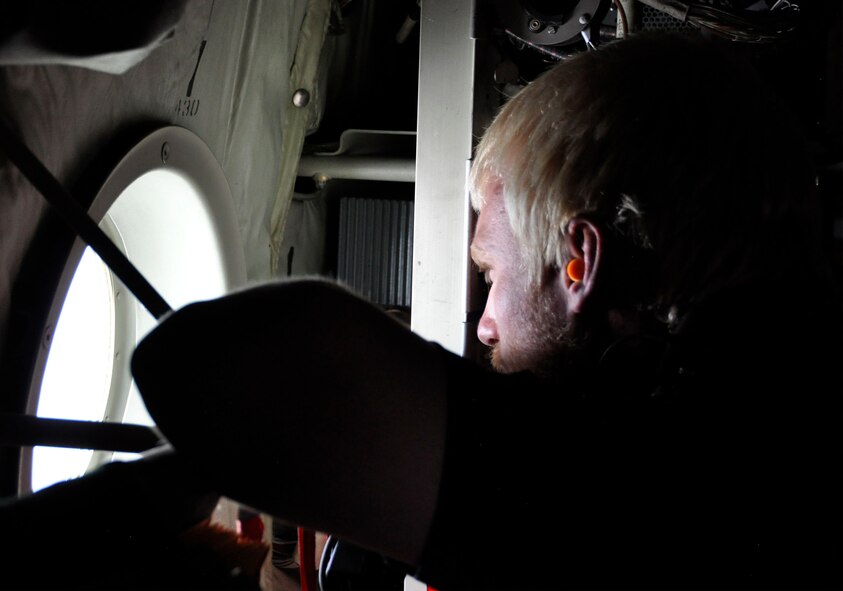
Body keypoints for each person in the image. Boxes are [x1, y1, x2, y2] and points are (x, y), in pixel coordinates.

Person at [55, 32, 843, 589]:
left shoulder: (684, 483)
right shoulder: (778, 424)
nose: (483, 324)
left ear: (579, 263)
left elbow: (200, 369)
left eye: (490, 271)